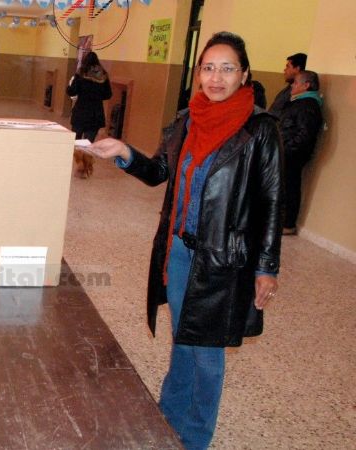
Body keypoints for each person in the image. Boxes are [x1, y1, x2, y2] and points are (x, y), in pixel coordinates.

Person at [88, 32, 282, 450]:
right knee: (184, 339)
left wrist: (267, 267)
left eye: (227, 68)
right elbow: (160, 171)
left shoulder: (260, 130)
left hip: (223, 262)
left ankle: (194, 437)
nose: (216, 77)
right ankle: (169, 416)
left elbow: (271, 203)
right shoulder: (187, 120)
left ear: (244, 74)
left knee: (206, 355)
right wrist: (124, 151)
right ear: (198, 74)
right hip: (178, 251)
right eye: (208, 67)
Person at [279, 70, 323, 235]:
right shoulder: (298, 103)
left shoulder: (308, 105)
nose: (292, 85)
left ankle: (288, 224)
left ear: (306, 85)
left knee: (290, 187)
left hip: (292, 155)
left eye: (296, 82)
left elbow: (304, 135)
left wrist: (286, 149)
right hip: (287, 152)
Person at [67, 51, 112, 142]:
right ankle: (86, 156)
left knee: (76, 141)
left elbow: (71, 92)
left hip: (80, 112)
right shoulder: (103, 74)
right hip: (95, 114)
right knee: (88, 143)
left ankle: (76, 156)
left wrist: (69, 85)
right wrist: (97, 95)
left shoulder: (80, 74)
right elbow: (108, 94)